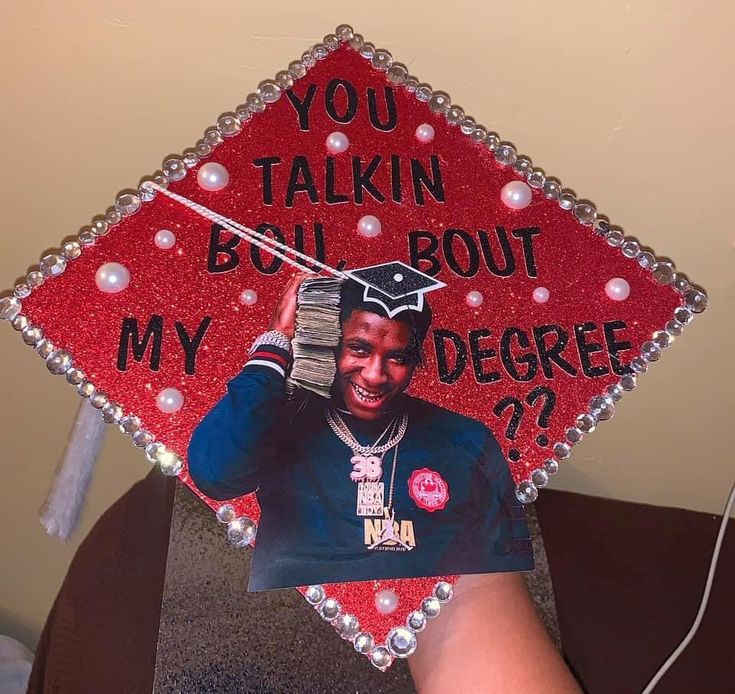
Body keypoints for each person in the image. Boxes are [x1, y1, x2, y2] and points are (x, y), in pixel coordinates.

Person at [188, 272, 534, 591]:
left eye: (397, 357)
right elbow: (214, 474)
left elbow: (501, 565)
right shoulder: (280, 421)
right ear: (331, 343)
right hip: (301, 618)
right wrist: (275, 345)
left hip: (438, 624)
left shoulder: (466, 441)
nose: (374, 375)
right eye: (359, 349)